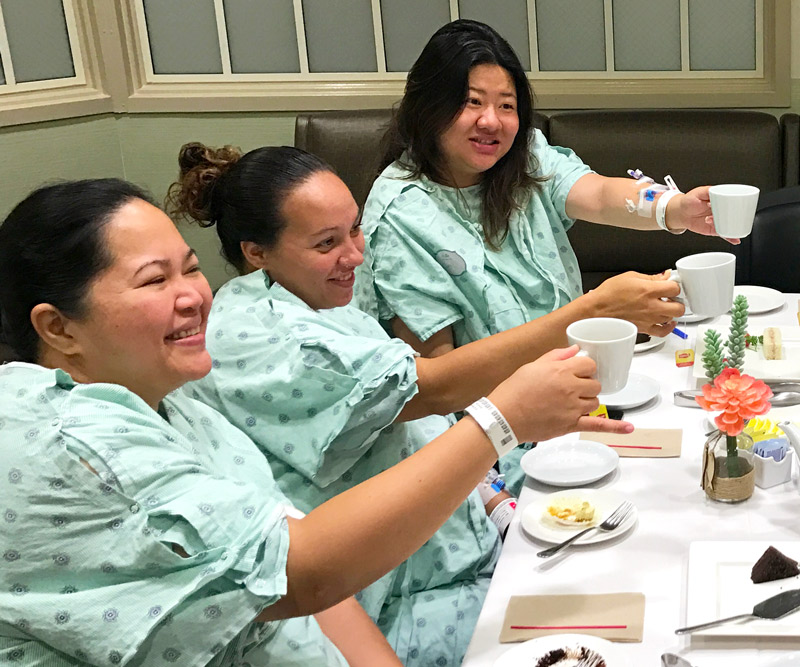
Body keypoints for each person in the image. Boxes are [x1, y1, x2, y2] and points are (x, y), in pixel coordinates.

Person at [0, 178, 621, 666]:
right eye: (154, 280)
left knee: (614, 603)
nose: (192, 295)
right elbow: (301, 572)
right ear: (57, 327)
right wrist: (502, 419)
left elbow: (299, 577)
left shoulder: (176, 400)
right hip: (408, 591)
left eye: (190, 269)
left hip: (380, 593)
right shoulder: (70, 438)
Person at [167, 144, 631, 666]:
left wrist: (498, 506)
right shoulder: (258, 333)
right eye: (327, 243)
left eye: (354, 231)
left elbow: (416, 428)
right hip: (401, 599)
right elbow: (427, 388)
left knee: (630, 574)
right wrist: (584, 317)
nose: (356, 256)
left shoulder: (325, 305)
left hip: (465, 545)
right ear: (256, 252)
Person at [357, 19, 732, 489]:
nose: (491, 121)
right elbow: (438, 385)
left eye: (506, 105)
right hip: (489, 448)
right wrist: (593, 309)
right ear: (427, 104)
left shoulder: (523, 157)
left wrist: (676, 209)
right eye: (472, 102)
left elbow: (596, 194)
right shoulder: (400, 213)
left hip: (572, 400)